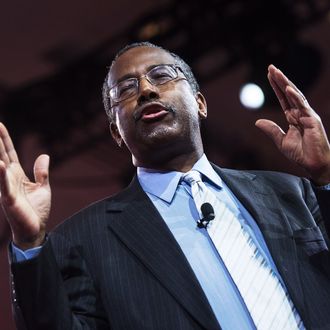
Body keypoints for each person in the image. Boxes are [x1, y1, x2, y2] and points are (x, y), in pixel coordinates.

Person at [1, 41, 330, 330]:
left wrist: (327, 176)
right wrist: (29, 243)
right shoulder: (83, 240)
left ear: (200, 103)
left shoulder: (290, 193)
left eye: (161, 75)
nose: (146, 90)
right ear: (116, 132)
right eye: (127, 89)